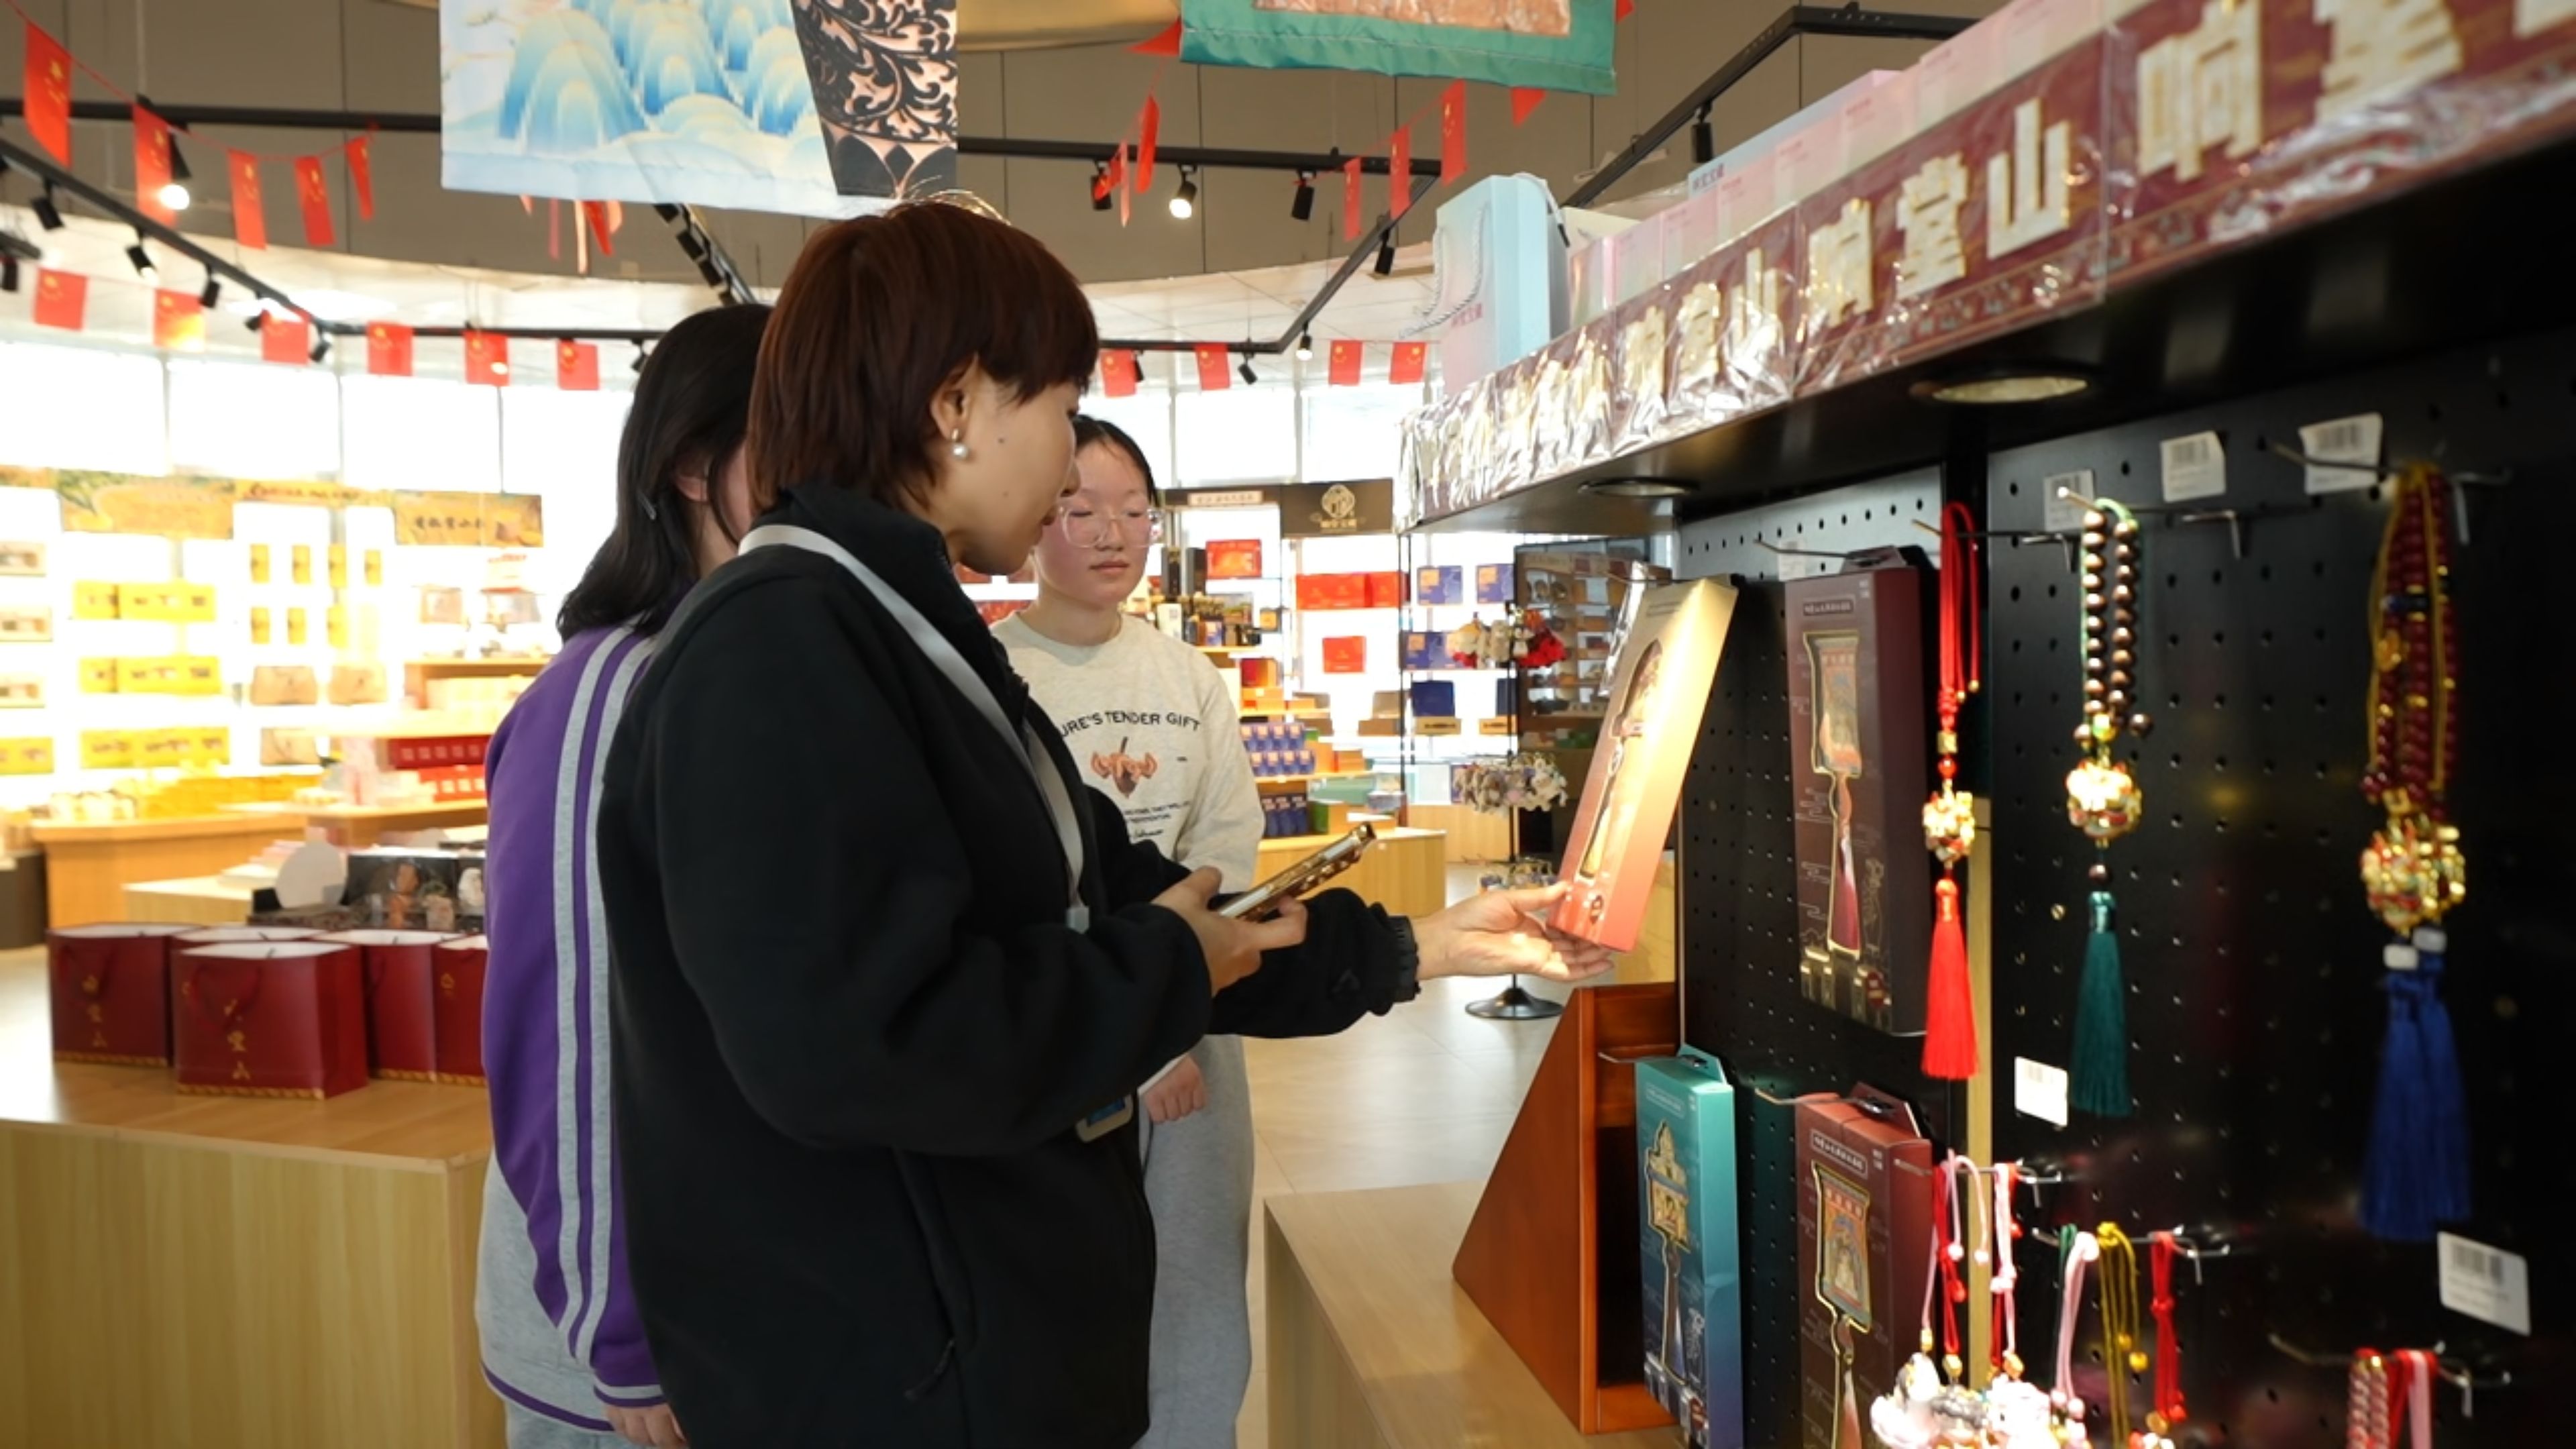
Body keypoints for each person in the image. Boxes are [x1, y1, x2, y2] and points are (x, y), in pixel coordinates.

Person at [592, 201, 1612, 1448]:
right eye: (1064, 405)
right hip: (900, 1388)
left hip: (964, 1359)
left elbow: (1118, 891)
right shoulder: (781, 649)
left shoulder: (899, 635)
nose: (1073, 461)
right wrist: (1167, 968)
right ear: (957, 402)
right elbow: (870, 1043)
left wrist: (1419, 946)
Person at [478, 302, 773, 1449]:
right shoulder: (610, 693)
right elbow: (567, 1025)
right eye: (796, 435)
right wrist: (624, 1334)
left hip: (747, 1313)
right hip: (630, 1362)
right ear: (695, 469)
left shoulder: (763, 675)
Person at [993, 415, 1260, 1448]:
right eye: (1080, 509)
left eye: (1135, 511)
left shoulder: (1189, 676)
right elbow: (1013, 881)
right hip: (1062, 1028)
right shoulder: (990, 674)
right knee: (1062, 1284)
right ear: (1032, 517)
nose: (1113, 533)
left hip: (1201, 1017)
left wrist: (1172, 1008)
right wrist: (1131, 1024)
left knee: (1199, 1279)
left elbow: (1226, 844)